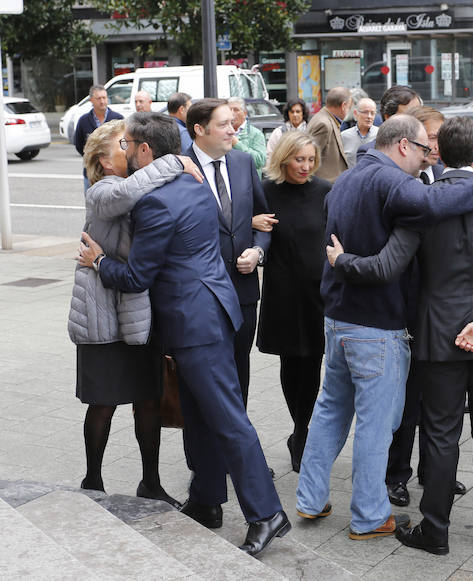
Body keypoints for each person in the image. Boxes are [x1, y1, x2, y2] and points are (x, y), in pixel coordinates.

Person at [76, 112, 288, 557]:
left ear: (145, 151)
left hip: (195, 322)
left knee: (228, 420)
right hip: (210, 310)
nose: (125, 151)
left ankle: (267, 514)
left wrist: (97, 261)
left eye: (128, 145)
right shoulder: (193, 185)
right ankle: (208, 501)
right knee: (202, 416)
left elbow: (136, 277)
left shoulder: (156, 202)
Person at [328, 115, 473, 555]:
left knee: (440, 433)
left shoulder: (423, 204)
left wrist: (341, 261)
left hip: (436, 336)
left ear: (439, 152)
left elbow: (387, 265)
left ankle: (436, 531)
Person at [68, 119, 201, 507]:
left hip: (138, 313)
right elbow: (128, 194)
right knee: (104, 402)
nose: (129, 149)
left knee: (148, 399)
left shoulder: (142, 182)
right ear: (103, 161)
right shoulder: (103, 191)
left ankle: (151, 482)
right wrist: (177, 161)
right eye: (121, 144)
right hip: (103, 314)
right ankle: (92, 480)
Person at [380, 104, 465, 509]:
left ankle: (437, 472)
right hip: (409, 306)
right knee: (408, 398)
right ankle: (396, 474)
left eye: (437, 137)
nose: (433, 145)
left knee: (441, 399)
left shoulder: (451, 179)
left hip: (445, 307)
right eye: (428, 137)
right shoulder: (401, 181)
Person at [185, 99, 271, 408]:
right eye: (223, 124)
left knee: (239, 374)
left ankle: (236, 447)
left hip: (243, 291)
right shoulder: (179, 168)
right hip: (200, 296)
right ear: (199, 129)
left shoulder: (242, 162)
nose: (233, 129)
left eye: (232, 123)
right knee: (203, 381)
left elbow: (265, 220)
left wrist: (257, 251)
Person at [256, 131, 331, 474]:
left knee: (313, 362)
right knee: (291, 362)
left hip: (317, 292)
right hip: (282, 290)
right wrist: (251, 222)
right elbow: (245, 230)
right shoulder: (265, 191)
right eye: (299, 159)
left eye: (310, 160)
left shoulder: (325, 191)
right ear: (284, 158)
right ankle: (300, 430)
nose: (305, 166)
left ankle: (302, 432)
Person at [74, 85, 125, 189]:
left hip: (114, 173)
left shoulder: (118, 119)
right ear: (91, 100)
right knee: (92, 203)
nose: (102, 101)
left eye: (104, 98)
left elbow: (124, 144)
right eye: (98, 98)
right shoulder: (83, 121)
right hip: (91, 174)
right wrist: (92, 157)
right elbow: (79, 145)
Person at [355, 85, 422, 162]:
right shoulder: (370, 154)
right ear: (388, 117)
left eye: (418, 114)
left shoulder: (427, 149)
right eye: (409, 116)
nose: (416, 121)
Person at [307, 86, 352, 182]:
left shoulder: (326, 118)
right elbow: (310, 156)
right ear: (343, 106)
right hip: (324, 185)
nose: (349, 111)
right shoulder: (324, 124)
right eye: (349, 107)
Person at [228, 97, 267, 174]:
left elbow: (260, 161)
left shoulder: (256, 134)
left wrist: (237, 144)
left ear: (245, 113)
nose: (232, 113)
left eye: (236, 110)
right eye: (229, 110)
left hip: (248, 182)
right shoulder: (222, 132)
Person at [341, 97, 378, 168]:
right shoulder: (344, 136)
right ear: (355, 113)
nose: (369, 116)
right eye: (365, 112)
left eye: (372, 113)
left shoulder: (380, 135)